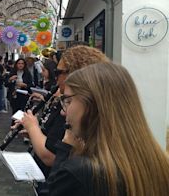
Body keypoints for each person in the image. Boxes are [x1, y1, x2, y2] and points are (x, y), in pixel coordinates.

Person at [48, 62, 169, 196]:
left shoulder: (78, 173)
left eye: (68, 101)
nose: (63, 112)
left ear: (92, 105)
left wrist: (65, 148)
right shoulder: (159, 163)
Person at [19, 46, 109, 195]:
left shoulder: (79, 170)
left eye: (58, 72)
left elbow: (51, 158)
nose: (63, 110)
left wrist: (34, 127)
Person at [6, 58, 33, 125]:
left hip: (23, 94)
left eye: (22, 63)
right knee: (15, 110)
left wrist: (25, 85)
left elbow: (30, 84)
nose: (20, 65)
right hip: (14, 94)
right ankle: (14, 125)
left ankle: (20, 125)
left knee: (22, 110)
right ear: (16, 64)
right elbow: (6, 84)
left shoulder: (27, 73)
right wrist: (10, 79)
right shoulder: (12, 72)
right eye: (19, 63)